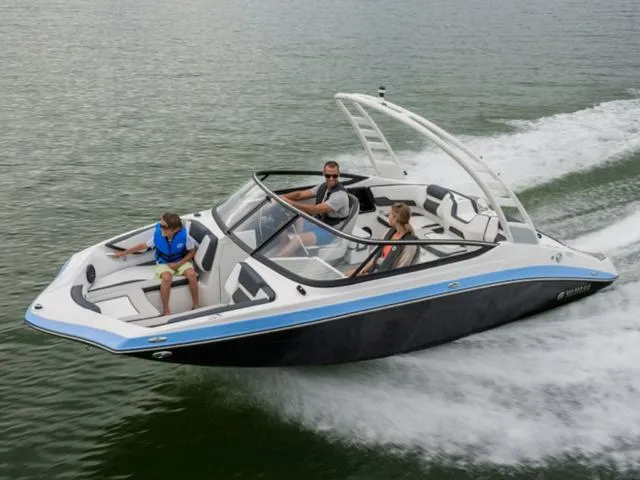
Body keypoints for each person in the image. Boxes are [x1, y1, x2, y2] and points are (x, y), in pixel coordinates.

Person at [114, 213, 199, 315]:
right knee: (166, 278)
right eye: (161, 225)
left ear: (175, 229)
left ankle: (196, 305)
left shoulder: (184, 237)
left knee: (192, 274)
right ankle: (166, 310)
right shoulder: (158, 236)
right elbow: (142, 246)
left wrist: (179, 263)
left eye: (165, 227)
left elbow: (192, 252)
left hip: (180, 260)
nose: (161, 228)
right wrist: (123, 253)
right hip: (163, 262)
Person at [277, 160, 350, 255]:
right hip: (317, 223)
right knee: (282, 224)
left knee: (297, 240)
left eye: (335, 175)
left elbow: (315, 209)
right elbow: (300, 195)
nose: (331, 178)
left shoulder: (340, 195)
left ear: (339, 174)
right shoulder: (323, 186)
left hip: (330, 231)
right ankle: (283, 252)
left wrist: (292, 204)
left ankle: (278, 260)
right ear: (324, 174)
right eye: (328, 176)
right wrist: (281, 197)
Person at [353, 203, 418, 276]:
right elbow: (375, 256)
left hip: (386, 277)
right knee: (348, 274)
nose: (388, 216)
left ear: (395, 218)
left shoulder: (410, 245)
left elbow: (400, 271)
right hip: (376, 270)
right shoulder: (388, 231)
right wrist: (362, 271)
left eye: (390, 214)